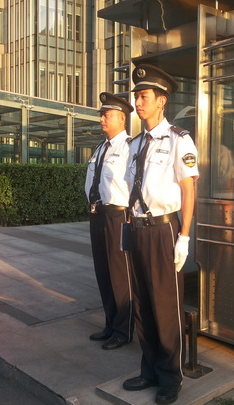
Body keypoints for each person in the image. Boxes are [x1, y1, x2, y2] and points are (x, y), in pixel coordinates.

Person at [122, 64, 199, 405]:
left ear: (161, 101)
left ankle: (170, 377)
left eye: (143, 96)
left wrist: (184, 236)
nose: (137, 102)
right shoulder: (136, 143)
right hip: (137, 228)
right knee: (142, 303)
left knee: (165, 305)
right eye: (136, 96)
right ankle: (150, 369)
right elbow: (132, 188)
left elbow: (188, 190)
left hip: (164, 229)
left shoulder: (179, 139)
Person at [84, 92, 135, 350]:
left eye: (108, 115)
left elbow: (134, 185)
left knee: (120, 274)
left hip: (119, 215)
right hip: (98, 215)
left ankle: (123, 330)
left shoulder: (129, 147)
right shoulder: (100, 148)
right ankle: (110, 323)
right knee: (103, 272)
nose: (102, 119)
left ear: (122, 119)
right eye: (102, 115)